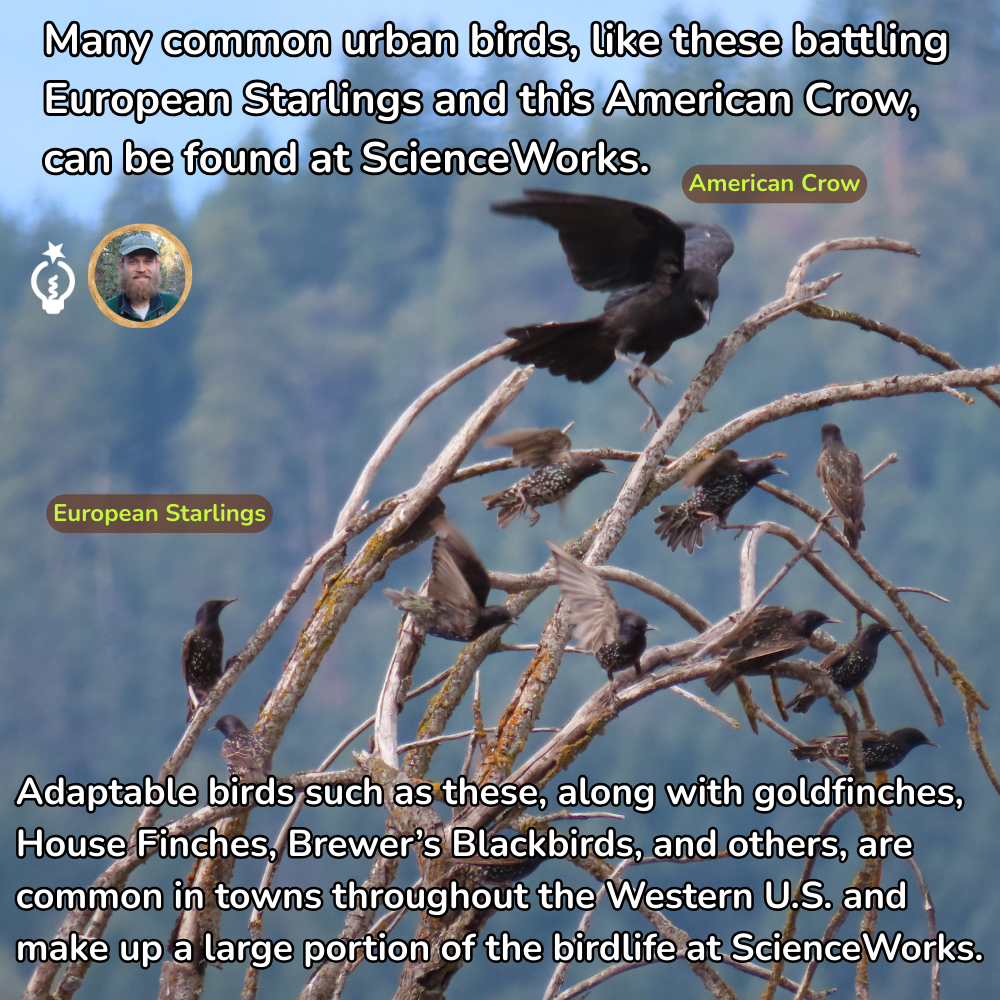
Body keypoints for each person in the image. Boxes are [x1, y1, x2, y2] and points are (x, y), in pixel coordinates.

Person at [104, 232, 180, 321]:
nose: (141, 269)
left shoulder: (176, 306)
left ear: (157, 266)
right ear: (122, 267)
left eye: (148, 261)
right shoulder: (106, 311)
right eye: (133, 262)